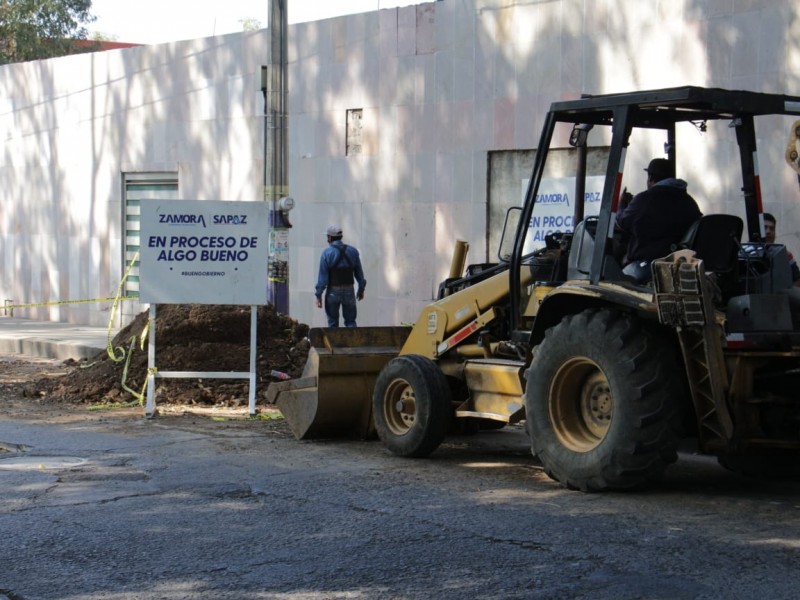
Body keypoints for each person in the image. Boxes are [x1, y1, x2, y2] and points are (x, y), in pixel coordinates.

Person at [617, 158, 702, 277]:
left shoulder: (645, 199)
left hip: (648, 266)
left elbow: (622, 222)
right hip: (681, 266)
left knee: (617, 277)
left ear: (651, 177)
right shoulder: (689, 202)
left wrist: (621, 206)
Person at [315, 225, 366, 327]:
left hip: (333, 292)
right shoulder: (353, 251)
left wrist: (318, 295)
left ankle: (335, 343)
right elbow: (359, 274)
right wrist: (361, 290)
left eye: (327, 237)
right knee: (351, 322)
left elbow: (323, 279)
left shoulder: (326, 253)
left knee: (333, 324)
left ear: (329, 238)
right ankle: (352, 342)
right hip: (349, 290)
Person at [763, 212, 800, 286]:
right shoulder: (744, 253)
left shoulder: (785, 255)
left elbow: (797, 280)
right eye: (765, 228)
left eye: (772, 228)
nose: (768, 231)